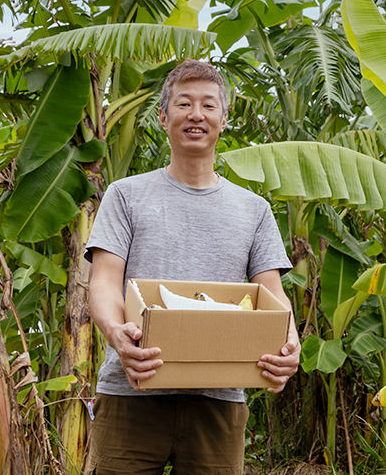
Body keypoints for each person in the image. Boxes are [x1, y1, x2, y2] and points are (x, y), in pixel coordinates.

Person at [83, 59, 300, 475]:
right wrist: (117, 335)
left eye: (208, 105)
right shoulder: (125, 195)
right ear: (164, 118)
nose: (196, 114)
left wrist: (289, 345)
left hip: (217, 401)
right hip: (132, 391)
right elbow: (105, 283)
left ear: (224, 118)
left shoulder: (254, 210)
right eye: (184, 104)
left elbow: (273, 298)